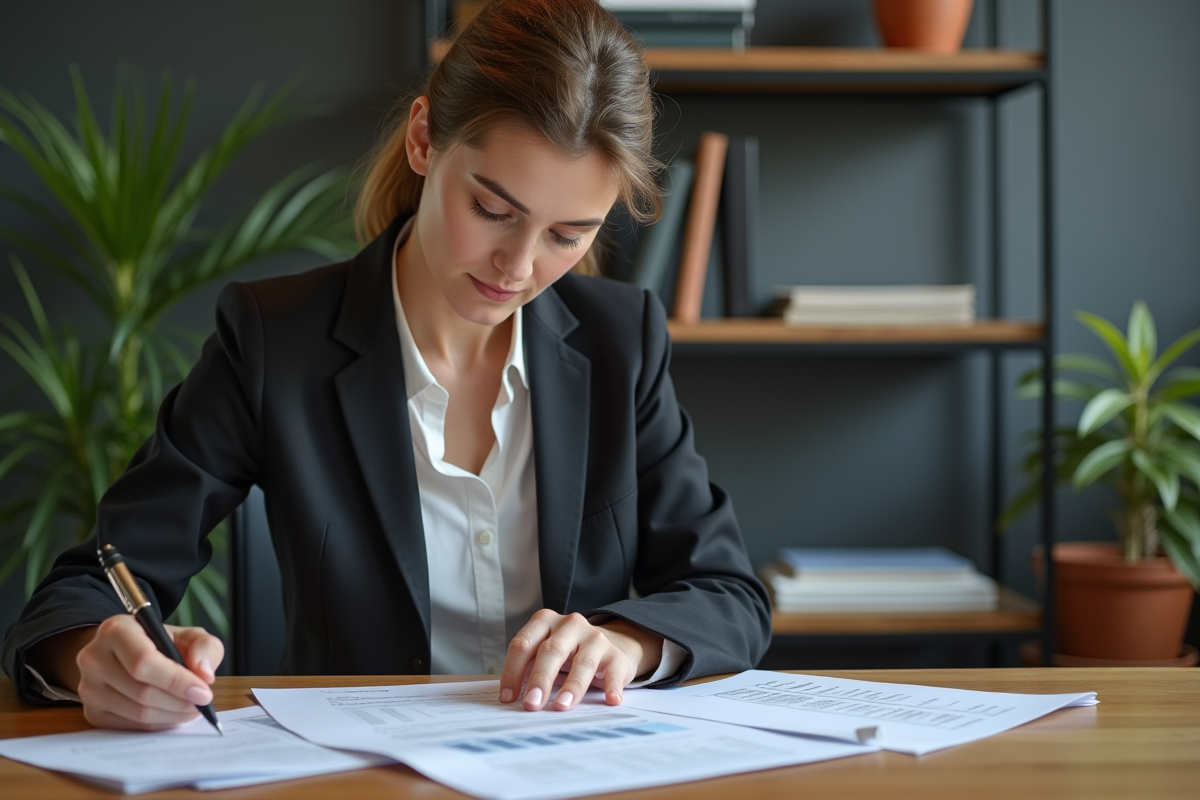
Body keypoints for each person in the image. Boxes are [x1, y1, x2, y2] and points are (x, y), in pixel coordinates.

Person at [2, 0, 770, 731]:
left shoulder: (620, 341)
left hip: (567, 762)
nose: (518, 266)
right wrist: (93, 660)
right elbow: (89, 584)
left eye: (567, 235)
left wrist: (626, 645)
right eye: (493, 212)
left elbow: (729, 594)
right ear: (423, 139)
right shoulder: (276, 340)